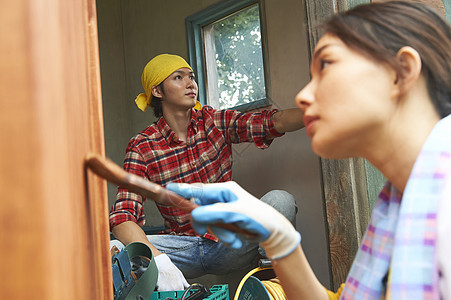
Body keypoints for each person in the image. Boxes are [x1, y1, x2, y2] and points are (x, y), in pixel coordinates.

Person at [166, 1, 451, 299]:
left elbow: (269, 122)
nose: (303, 95)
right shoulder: (396, 205)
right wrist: (279, 238)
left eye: (326, 65)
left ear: (402, 71)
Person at [109, 54, 304, 291]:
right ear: (158, 92)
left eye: (191, 76)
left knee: (280, 200)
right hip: (183, 248)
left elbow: (274, 122)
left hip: (231, 241)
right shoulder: (143, 146)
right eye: (178, 77)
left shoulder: (215, 121)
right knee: (117, 248)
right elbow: (122, 217)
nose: (191, 83)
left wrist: (320, 111)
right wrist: (160, 260)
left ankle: (266, 284)